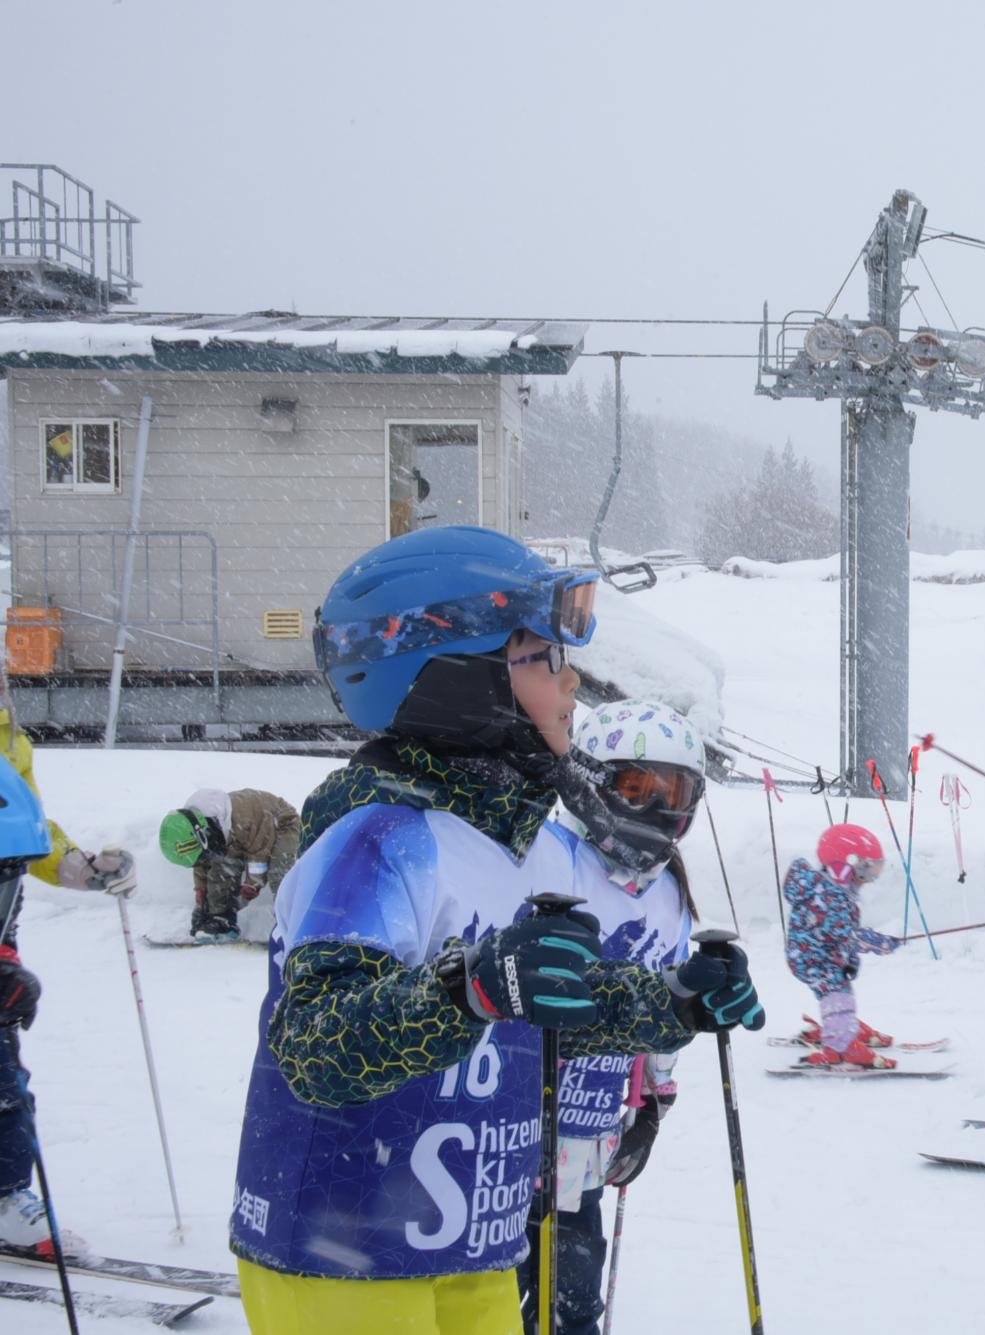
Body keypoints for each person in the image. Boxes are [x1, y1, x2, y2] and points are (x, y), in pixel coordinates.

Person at [228, 527, 766, 1335]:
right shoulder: (380, 837)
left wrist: (676, 1003)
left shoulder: (523, 846)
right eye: (545, 658)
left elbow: (555, 1002)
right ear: (456, 675)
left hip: (476, 1236)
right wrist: (472, 986)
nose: (573, 680)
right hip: (343, 1240)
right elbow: (315, 1040)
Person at [517, 698, 706, 1335]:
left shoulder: (671, 892)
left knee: (573, 1303)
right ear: (595, 783)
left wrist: (653, 1105)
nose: (657, 808)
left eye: (673, 792)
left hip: (592, 1133)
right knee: (510, 1301)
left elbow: (666, 1004)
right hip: (516, 1136)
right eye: (636, 787)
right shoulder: (546, 855)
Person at [0, 669, 135, 1257]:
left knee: (4, 1077)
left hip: (0, 905)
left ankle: (4, 1195)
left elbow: (22, 825)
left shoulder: (9, 736)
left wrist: (78, 865)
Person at [782, 824, 903, 1069]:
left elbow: (840, 934)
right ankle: (840, 1045)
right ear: (846, 865)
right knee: (837, 992)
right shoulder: (829, 895)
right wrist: (877, 942)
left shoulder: (832, 889)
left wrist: (852, 956)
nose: (870, 879)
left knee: (840, 990)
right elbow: (843, 933)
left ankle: (840, 1027)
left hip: (820, 954)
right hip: (813, 958)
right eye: (867, 870)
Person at [159, 787, 301, 941]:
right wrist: (201, 893)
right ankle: (221, 919)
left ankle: (293, 924)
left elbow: (260, 855)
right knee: (220, 871)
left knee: (279, 875)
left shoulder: (243, 818)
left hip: (281, 824)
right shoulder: (201, 828)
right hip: (239, 836)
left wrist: (252, 886)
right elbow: (202, 860)